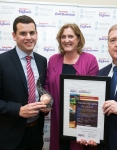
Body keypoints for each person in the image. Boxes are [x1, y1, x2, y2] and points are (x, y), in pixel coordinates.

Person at [44, 23, 99, 150]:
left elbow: (95, 91)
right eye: (63, 37)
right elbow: (47, 86)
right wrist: (45, 100)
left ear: (78, 38)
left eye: (70, 36)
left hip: (82, 122)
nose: (66, 40)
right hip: (58, 119)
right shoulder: (53, 60)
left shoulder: (90, 60)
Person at [0, 15, 50, 150]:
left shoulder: (42, 61)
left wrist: (46, 106)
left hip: (36, 134)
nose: (29, 37)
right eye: (23, 33)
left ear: (37, 35)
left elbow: (41, 90)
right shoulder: (2, 61)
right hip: (10, 137)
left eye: (32, 33)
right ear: (14, 36)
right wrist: (18, 110)